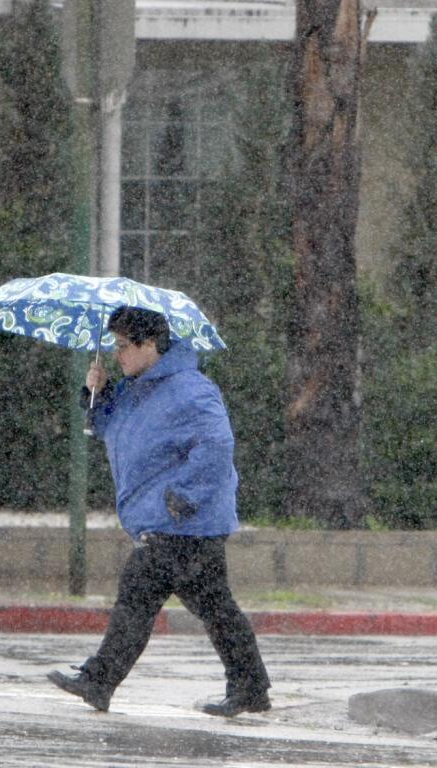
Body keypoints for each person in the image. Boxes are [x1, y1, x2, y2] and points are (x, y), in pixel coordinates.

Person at [47, 305, 271, 717]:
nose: (118, 355)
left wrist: (183, 495)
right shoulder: (137, 388)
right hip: (174, 520)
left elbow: (217, 445)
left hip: (185, 520)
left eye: (123, 346)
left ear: (150, 346)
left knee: (138, 589)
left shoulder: (191, 388)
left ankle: (99, 680)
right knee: (216, 607)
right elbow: (106, 428)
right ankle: (251, 687)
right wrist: (95, 393)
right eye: (114, 346)